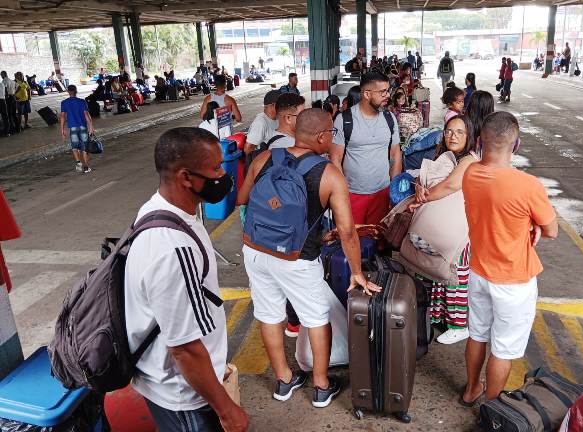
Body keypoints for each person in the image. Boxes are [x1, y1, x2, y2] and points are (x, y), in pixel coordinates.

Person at [239, 108, 380, 408]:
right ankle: (320, 385)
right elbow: (347, 231)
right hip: (296, 259)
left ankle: (283, 380)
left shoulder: (265, 158)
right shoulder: (329, 173)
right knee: (316, 318)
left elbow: (243, 199)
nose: (333, 138)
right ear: (321, 137)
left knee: (268, 315)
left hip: (255, 250)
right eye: (332, 132)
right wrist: (357, 271)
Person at [124, 127, 249, 432]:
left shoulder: (160, 208)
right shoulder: (173, 249)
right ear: (185, 177)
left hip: (179, 383)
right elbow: (184, 348)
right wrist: (226, 409)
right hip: (184, 395)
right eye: (216, 168)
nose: (223, 175)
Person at [461, 111, 558, 404]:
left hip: (478, 271)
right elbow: (552, 230)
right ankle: (492, 407)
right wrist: (533, 225)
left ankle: (470, 390)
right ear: (516, 145)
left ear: (480, 141)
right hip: (514, 281)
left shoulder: (470, 173)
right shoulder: (528, 186)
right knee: (502, 349)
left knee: (477, 334)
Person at [409, 114, 479, 344]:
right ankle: (439, 316)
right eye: (449, 131)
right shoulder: (442, 155)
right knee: (437, 270)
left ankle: (459, 325)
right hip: (439, 225)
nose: (453, 136)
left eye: (459, 132)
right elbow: (423, 177)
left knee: (454, 274)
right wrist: (419, 187)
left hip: (458, 228)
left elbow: (449, 186)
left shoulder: (469, 160)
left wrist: (421, 199)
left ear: (469, 136)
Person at [331, 71, 401, 225]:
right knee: (353, 239)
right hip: (352, 194)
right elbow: (335, 158)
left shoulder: (389, 119)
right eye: (382, 92)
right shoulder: (345, 119)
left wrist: (394, 191)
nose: (388, 95)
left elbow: (395, 153)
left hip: (383, 193)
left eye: (388, 90)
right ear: (367, 94)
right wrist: (341, 192)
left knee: (378, 239)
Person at [60, 85, 95, 174]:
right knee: (85, 148)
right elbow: (87, 115)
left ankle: (78, 162)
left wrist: (62, 130)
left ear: (68, 92)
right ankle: (86, 167)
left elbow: (62, 116)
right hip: (83, 127)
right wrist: (91, 127)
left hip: (72, 127)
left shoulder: (64, 103)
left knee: (75, 147)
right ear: (76, 91)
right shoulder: (82, 102)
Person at [244, 90, 280, 155]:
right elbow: (248, 149)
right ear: (274, 105)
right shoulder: (260, 122)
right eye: (282, 104)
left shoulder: (278, 118)